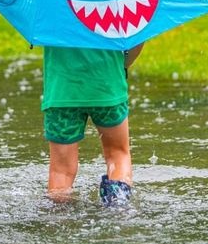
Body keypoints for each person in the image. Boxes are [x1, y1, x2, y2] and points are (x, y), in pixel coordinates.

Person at [42, 43, 144, 205]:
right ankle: (117, 208)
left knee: (61, 171)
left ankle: (57, 218)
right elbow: (136, 41)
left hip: (61, 94)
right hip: (108, 87)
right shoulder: (117, 15)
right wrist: (121, 64)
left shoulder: (52, 16)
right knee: (117, 155)